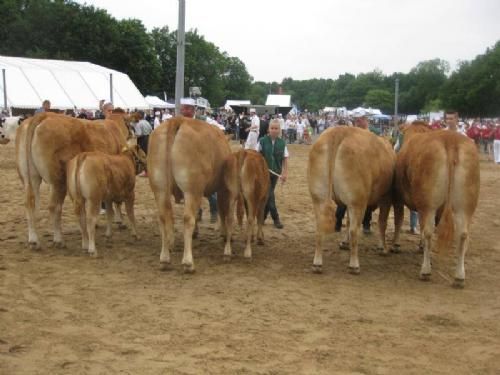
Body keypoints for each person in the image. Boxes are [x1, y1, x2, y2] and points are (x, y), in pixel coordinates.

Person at [335, 110, 374, 234]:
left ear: (365, 120)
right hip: (350, 169)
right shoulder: (351, 133)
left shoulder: (371, 135)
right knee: (343, 198)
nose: (357, 122)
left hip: (367, 170)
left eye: (359, 120)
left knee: (366, 200)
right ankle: (338, 221)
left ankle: (366, 224)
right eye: (356, 120)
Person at [180, 97, 218, 222]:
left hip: (202, 159)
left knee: (208, 187)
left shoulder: (203, 120)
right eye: (183, 108)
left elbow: (219, 128)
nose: (185, 111)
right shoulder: (178, 122)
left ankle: (214, 211)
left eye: (188, 109)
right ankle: (197, 212)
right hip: (185, 160)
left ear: (193, 110)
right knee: (189, 190)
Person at [256, 119, 289, 229]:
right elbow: (256, 156)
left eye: (276, 128)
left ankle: (263, 217)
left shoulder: (282, 143)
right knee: (270, 195)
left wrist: (285, 173)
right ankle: (276, 218)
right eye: (272, 128)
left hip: (276, 174)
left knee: (268, 196)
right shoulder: (262, 141)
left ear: (280, 130)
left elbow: (285, 159)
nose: (274, 130)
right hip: (264, 174)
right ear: (268, 129)